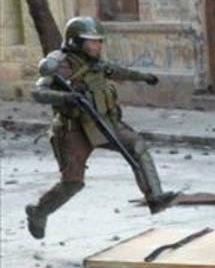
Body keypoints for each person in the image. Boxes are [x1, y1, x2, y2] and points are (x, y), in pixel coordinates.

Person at [26, 17, 177, 239]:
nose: (97, 46)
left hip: (101, 122)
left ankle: (155, 197)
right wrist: (67, 97)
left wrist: (143, 77)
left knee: (136, 145)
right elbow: (38, 92)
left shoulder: (94, 62)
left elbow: (114, 71)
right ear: (76, 42)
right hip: (72, 130)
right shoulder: (59, 64)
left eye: (99, 42)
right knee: (72, 184)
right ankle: (39, 212)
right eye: (92, 42)